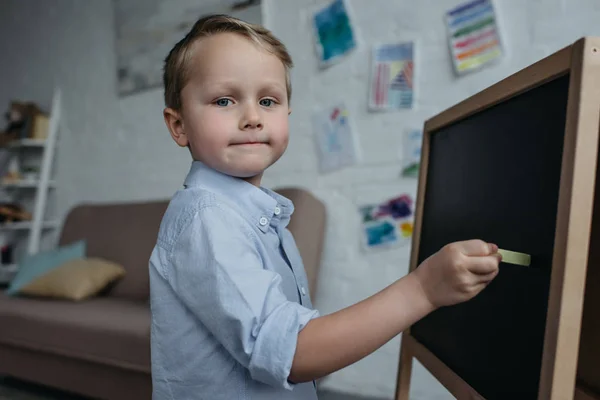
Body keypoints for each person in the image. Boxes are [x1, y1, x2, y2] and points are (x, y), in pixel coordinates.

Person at [148, 13, 502, 400]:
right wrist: (424, 289)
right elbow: (292, 353)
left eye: (268, 100)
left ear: (287, 113)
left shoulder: (256, 217)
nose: (251, 118)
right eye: (224, 100)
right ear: (178, 125)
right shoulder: (208, 220)